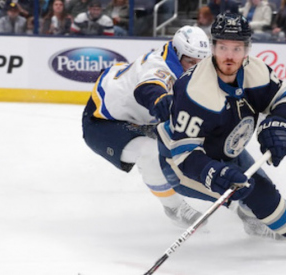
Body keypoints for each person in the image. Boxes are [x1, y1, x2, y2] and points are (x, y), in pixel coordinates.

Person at [156, 13, 286, 260]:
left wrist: (277, 125)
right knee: (256, 191)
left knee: (262, 191)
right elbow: (184, 155)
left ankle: (256, 220)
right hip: (182, 165)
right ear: (213, 47)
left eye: (237, 48)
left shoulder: (256, 70)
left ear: (247, 49)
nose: (229, 56)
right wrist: (214, 173)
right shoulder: (194, 90)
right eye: (223, 47)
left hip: (228, 149)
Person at [81, 26, 211, 227]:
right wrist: (161, 100)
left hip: (140, 119)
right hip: (103, 121)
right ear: (177, 53)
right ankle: (174, 208)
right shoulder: (159, 67)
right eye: (190, 62)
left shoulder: (194, 70)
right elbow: (150, 88)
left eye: (199, 62)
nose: (194, 68)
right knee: (150, 153)